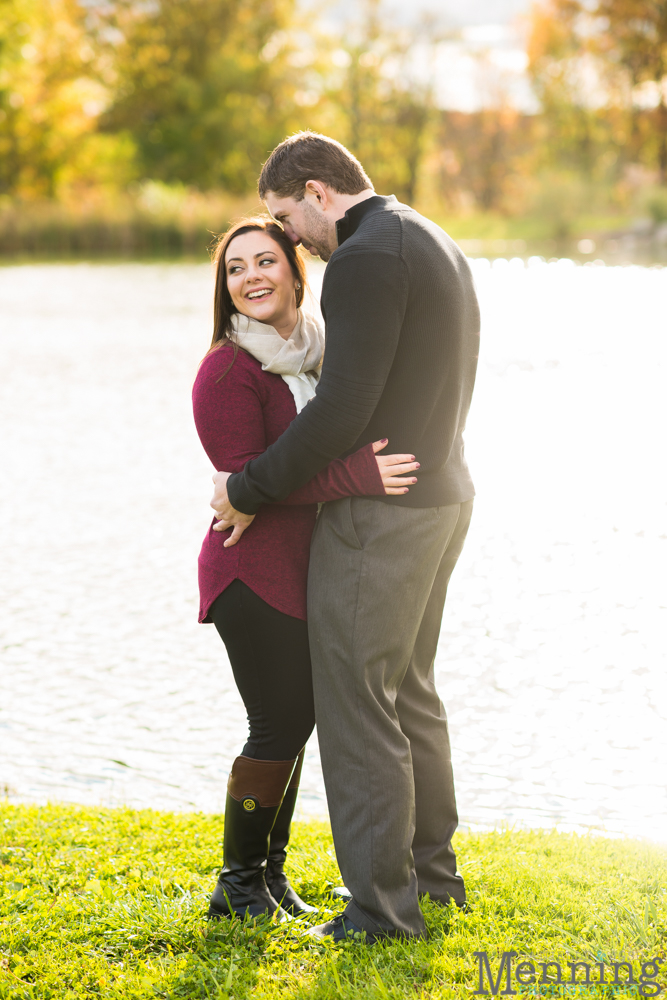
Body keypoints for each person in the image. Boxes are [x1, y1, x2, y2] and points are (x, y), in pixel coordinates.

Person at [210, 133, 480, 943]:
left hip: (382, 516)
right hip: (440, 496)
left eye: (289, 220)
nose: (293, 240)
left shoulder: (363, 259)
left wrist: (249, 489)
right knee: (409, 695)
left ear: (320, 193)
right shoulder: (427, 235)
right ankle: (433, 884)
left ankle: (379, 912)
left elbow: (340, 410)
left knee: (359, 704)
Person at [192, 216, 419, 922]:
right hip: (248, 571)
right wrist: (355, 476)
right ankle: (236, 885)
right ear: (225, 288)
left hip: (300, 569)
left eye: (265, 261)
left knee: (296, 722)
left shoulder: (317, 357)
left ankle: (269, 877)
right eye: (236, 269)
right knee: (277, 723)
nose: (251, 277)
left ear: (295, 271)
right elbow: (251, 484)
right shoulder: (227, 370)